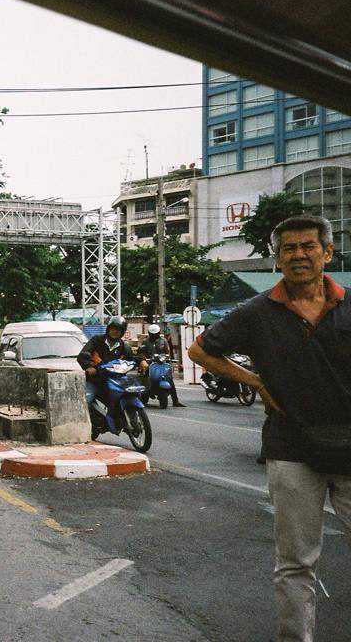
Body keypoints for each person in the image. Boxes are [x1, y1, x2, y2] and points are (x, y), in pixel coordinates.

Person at [188, 214, 351, 642]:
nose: (299, 255)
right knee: (296, 563)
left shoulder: (350, 305)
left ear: (327, 253)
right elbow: (200, 350)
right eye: (289, 249)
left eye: (308, 246)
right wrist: (256, 381)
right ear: (277, 260)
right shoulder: (256, 312)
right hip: (291, 449)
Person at [76, 315, 143, 411]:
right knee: (87, 400)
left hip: (116, 380)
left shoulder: (124, 347)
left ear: (122, 332)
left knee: (132, 392)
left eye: (118, 330)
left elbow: (132, 358)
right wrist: (89, 367)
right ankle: (83, 424)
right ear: (108, 329)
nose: (115, 332)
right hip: (96, 379)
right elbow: (83, 355)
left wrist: (142, 361)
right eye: (113, 328)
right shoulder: (96, 340)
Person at [137, 324, 185, 407]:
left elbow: (168, 352)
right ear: (149, 334)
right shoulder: (145, 342)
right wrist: (144, 359)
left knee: (170, 379)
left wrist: (169, 359)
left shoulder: (163, 341)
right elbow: (140, 352)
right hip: (150, 364)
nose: (155, 336)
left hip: (162, 364)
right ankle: (145, 393)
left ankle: (175, 401)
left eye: (156, 334)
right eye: (153, 334)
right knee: (145, 378)